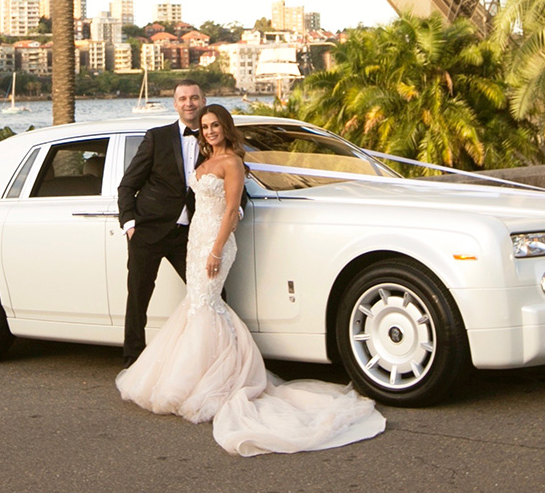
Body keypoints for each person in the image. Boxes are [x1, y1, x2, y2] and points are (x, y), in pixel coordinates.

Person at [116, 105, 385, 456]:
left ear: (226, 128)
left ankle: (220, 376)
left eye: (215, 126)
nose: (210, 131)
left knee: (207, 303)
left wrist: (215, 250)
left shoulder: (232, 162)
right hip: (194, 238)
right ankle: (204, 372)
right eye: (206, 126)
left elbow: (230, 209)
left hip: (215, 240)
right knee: (198, 303)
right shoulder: (204, 159)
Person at [116, 79, 208, 365]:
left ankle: (209, 354)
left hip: (190, 235)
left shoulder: (214, 138)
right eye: (183, 98)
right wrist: (130, 225)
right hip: (149, 230)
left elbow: (235, 182)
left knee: (208, 292)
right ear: (175, 103)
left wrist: (234, 215)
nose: (189, 103)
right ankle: (133, 359)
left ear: (203, 101)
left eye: (194, 97)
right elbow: (127, 185)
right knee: (139, 297)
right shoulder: (156, 137)